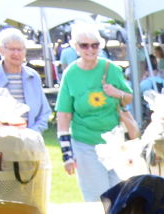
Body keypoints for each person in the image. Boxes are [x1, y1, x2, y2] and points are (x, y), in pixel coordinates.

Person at [55, 21, 133, 201]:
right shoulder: (70, 74)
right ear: (76, 47)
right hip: (86, 145)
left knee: (122, 198)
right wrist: (67, 154)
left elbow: (128, 98)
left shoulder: (111, 68)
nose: (90, 49)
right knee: (98, 201)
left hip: (116, 143)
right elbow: (64, 115)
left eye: (95, 45)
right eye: (84, 45)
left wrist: (118, 93)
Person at [0, 27, 49, 131]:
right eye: (11, 49)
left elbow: (44, 113)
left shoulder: (33, 77)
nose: (16, 53)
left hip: (29, 141)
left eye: (20, 49)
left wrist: (32, 133)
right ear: (0, 50)